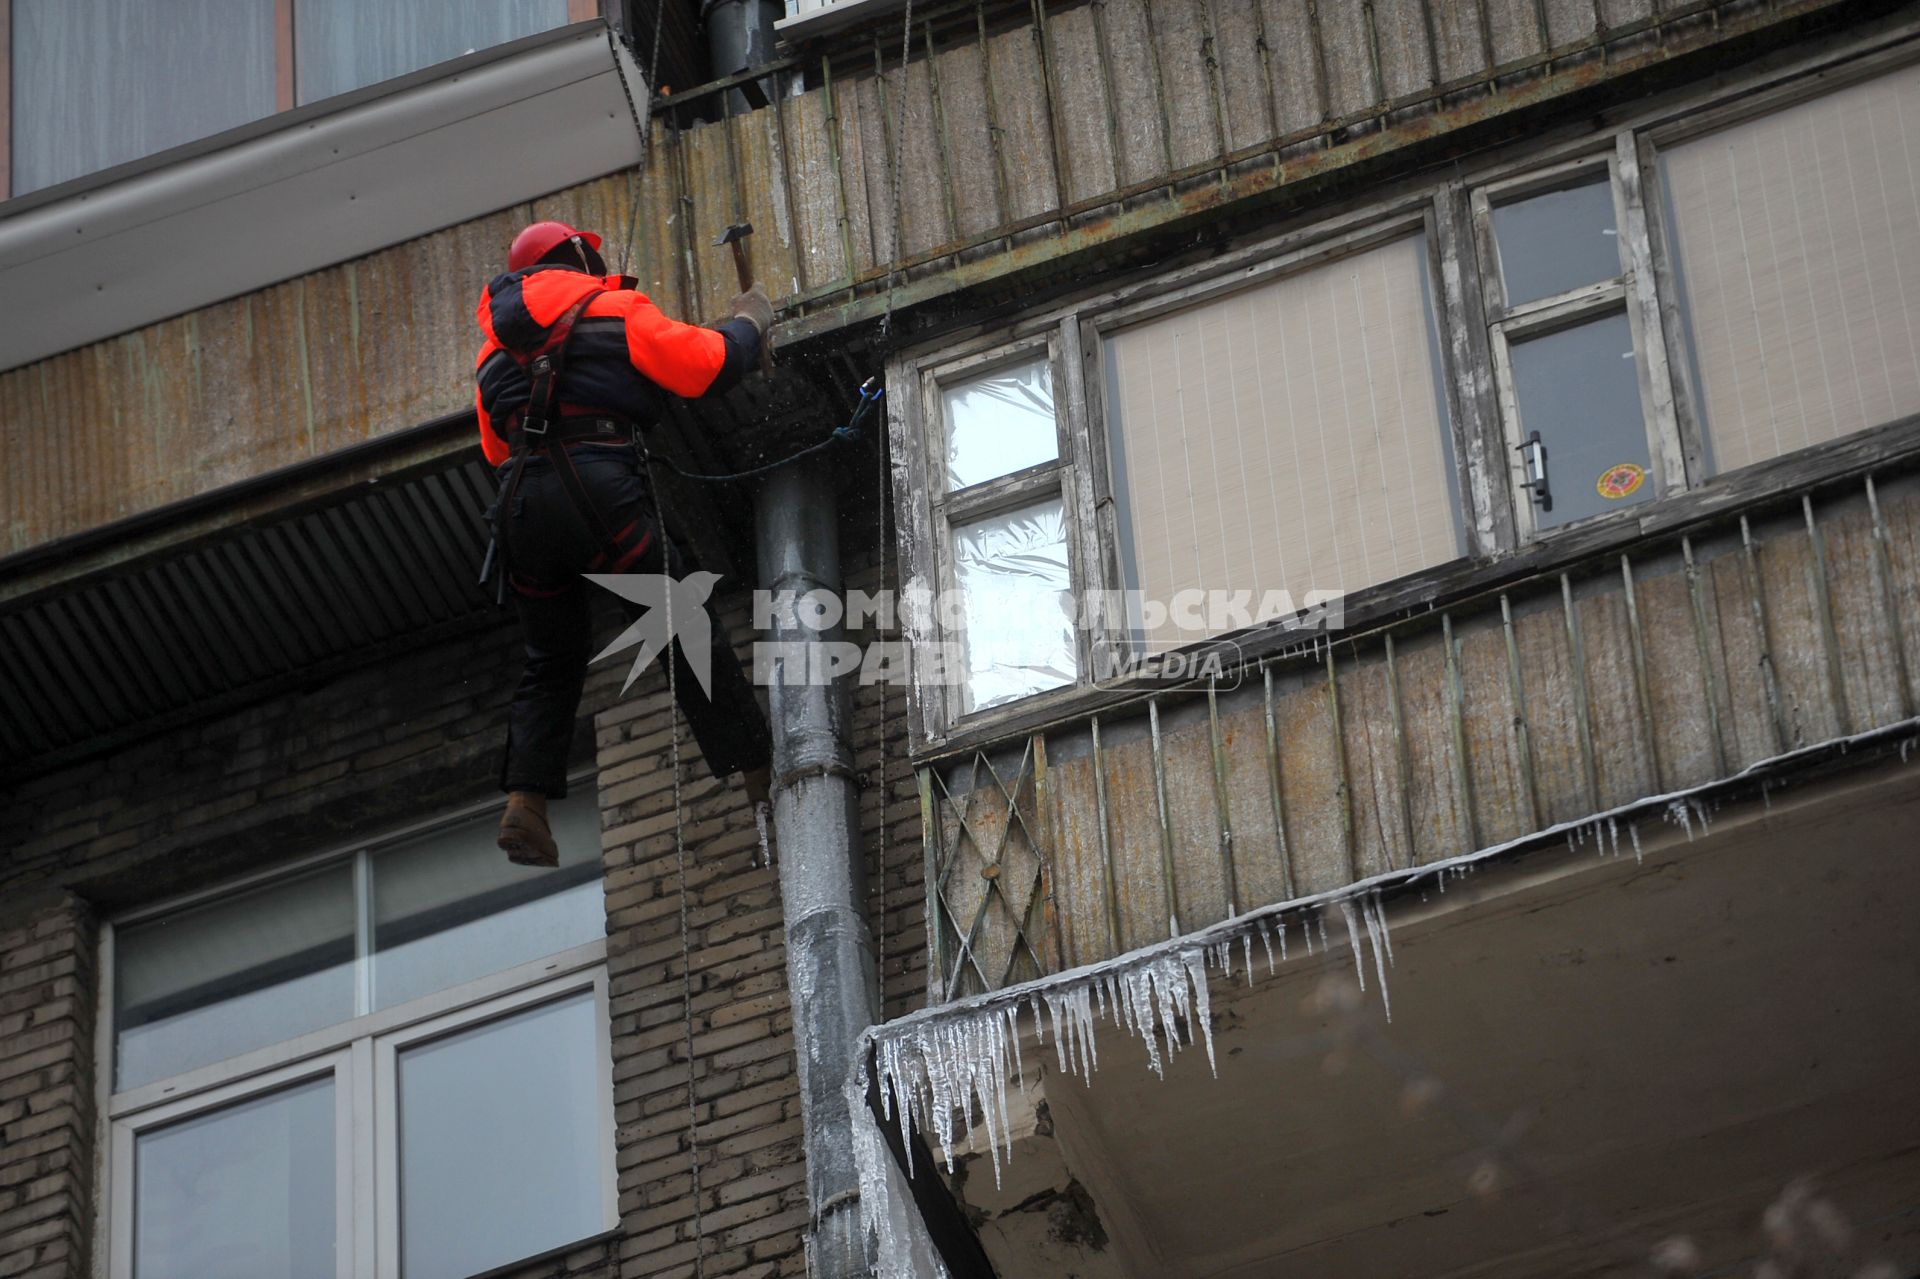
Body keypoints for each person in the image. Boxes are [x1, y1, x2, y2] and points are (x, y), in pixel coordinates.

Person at [474, 219, 773, 867]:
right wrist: (750, 322)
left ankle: (526, 800)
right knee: (680, 622)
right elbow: (706, 367)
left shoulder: (492, 355)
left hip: (522, 507)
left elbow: (496, 446)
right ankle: (754, 767)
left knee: (550, 660)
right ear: (578, 260)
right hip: (601, 487)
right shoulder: (614, 307)